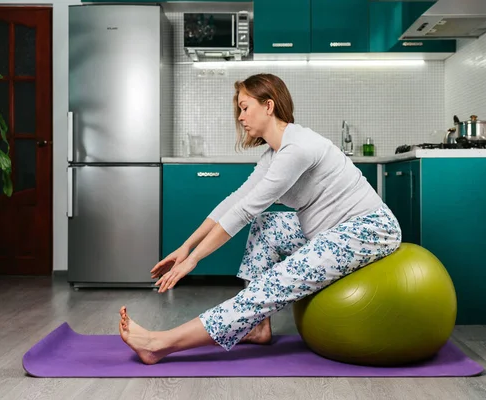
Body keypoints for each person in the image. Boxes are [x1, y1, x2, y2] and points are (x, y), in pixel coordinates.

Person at [118, 73, 402, 365]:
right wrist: (185, 247)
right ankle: (258, 326)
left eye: (244, 107)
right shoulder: (274, 154)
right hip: (328, 230)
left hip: (367, 229)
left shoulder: (297, 148)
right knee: (266, 225)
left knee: (275, 282)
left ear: (269, 105)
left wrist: (194, 260)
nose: (240, 117)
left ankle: (159, 344)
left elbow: (244, 211)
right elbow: (236, 200)